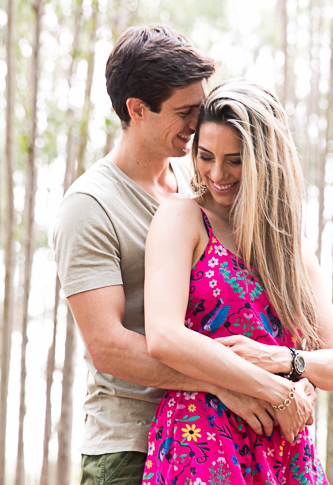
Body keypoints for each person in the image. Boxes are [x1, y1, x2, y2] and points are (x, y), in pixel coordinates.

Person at [54, 27, 316, 485]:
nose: (197, 123)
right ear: (138, 109)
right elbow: (108, 347)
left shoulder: (199, 181)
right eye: (184, 112)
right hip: (128, 447)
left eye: (200, 106)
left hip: (220, 440)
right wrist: (229, 381)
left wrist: (286, 369)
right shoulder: (90, 205)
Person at [142, 79, 333, 485]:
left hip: (286, 453)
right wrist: (278, 391)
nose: (217, 174)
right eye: (205, 156)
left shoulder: (291, 250)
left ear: (265, 161)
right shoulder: (182, 218)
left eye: (235, 161)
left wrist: (284, 360)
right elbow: (164, 336)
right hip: (202, 442)